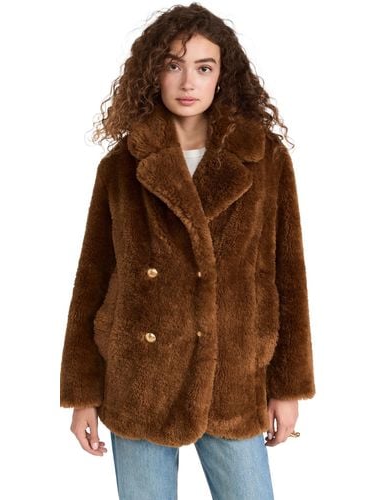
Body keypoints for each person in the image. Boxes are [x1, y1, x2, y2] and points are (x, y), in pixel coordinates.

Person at [59, 3, 316, 499]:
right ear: (152, 72)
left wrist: (287, 386)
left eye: (203, 67)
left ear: (222, 75)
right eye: (173, 65)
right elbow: (91, 280)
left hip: (233, 373)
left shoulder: (265, 158)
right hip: (139, 377)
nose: (187, 82)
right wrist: (83, 393)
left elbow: (289, 275)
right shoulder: (121, 166)